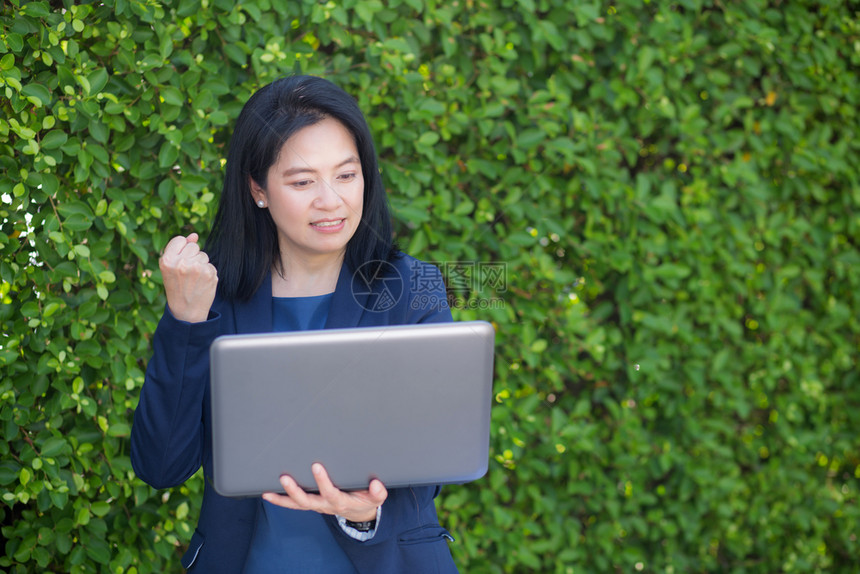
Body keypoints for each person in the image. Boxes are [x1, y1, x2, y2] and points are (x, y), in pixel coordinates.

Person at [130, 75, 459, 573]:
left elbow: (432, 457)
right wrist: (185, 321)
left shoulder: (415, 287)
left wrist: (368, 510)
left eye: (346, 175)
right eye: (303, 181)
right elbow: (161, 466)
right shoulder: (213, 295)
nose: (331, 200)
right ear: (258, 189)